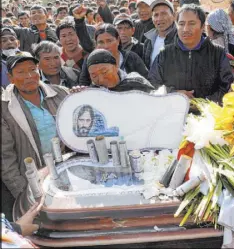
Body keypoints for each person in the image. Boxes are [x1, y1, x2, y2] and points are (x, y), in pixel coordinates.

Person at [1, 51, 69, 202]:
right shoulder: (5, 107)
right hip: (32, 181)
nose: (29, 76)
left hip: (66, 172)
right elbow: (5, 157)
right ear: (10, 77)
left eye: (32, 69)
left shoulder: (61, 94)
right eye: (21, 72)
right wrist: (24, 195)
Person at [148, 4, 234, 103]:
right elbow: (152, 84)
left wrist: (201, 103)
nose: (185, 29)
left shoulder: (218, 53)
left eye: (192, 23)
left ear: (202, 27)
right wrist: (174, 93)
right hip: (172, 113)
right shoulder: (165, 54)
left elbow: (227, 87)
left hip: (208, 115)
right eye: (181, 24)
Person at [73, 12, 148, 85]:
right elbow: (83, 84)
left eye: (109, 41)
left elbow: (146, 81)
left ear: (118, 40)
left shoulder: (132, 58)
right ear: (96, 44)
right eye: (101, 42)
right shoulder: (90, 59)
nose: (106, 46)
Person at [73, 49, 155, 93]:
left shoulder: (136, 83)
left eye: (104, 72)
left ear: (116, 66)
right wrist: (78, 95)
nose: (101, 80)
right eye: (94, 75)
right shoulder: (93, 92)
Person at [143, 0, 177, 69]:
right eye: (156, 15)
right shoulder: (148, 41)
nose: (159, 18)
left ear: (173, 16)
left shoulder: (181, 39)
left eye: (164, 13)